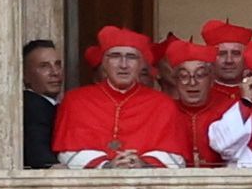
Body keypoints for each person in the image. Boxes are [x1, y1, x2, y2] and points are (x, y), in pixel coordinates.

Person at [48, 27, 191, 170]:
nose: (123, 65)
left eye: (131, 57)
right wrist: (106, 166)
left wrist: (144, 165)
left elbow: (175, 156)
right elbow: (67, 153)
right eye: (115, 56)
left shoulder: (163, 104)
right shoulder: (76, 101)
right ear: (104, 63)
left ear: (141, 64)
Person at [22, 39, 65, 169]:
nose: (55, 72)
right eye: (44, 66)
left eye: (57, 64)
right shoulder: (32, 106)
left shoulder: (52, 105)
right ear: (25, 75)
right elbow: (38, 149)